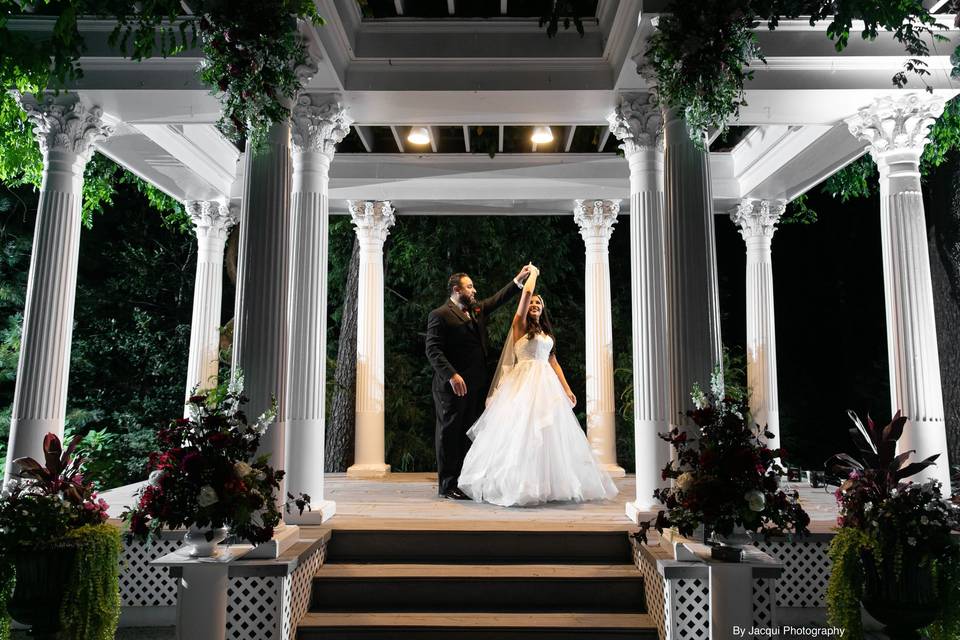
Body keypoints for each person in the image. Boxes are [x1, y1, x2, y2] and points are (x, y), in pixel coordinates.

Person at [457, 266, 618, 507]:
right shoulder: (519, 325)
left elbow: (553, 360)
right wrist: (532, 275)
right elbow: (524, 294)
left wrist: (566, 388)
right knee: (522, 432)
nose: (534, 305)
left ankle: (547, 484)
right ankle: (519, 483)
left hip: (547, 385)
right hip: (524, 384)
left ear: (543, 309)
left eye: (538, 304)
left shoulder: (545, 331)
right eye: (531, 303)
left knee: (549, 435)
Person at [425, 266, 533, 499]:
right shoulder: (440, 314)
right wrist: (452, 375)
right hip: (451, 386)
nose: (474, 290)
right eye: (469, 286)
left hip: (475, 384)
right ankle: (447, 485)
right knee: (449, 434)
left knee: (469, 433)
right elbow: (433, 350)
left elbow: (497, 299)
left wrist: (518, 280)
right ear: (456, 290)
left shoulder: (474, 310)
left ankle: (465, 481)